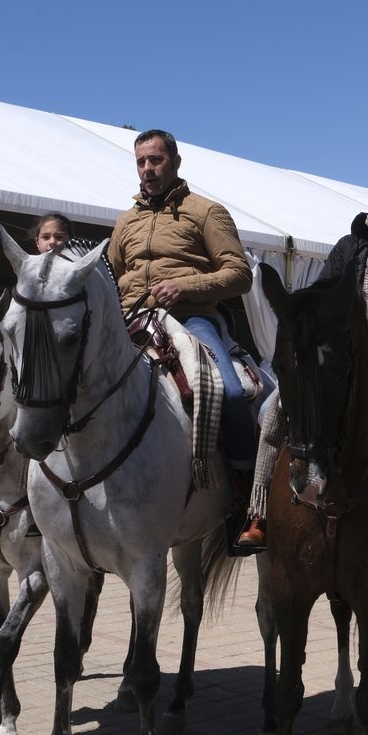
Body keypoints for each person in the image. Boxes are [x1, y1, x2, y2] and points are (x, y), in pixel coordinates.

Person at [238, 175, 368, 566]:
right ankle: (259, 511)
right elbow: (321, 296)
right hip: (339, 354)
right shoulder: (348, 247)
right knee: (275, 411)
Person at [107, 129, 256, 539]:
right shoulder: (125, 222)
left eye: (155, 160)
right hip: (132, 321)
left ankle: (247, 497)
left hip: (190, 318)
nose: (148, 169)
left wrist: (184, 287)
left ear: (175, 162)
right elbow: (118, 275)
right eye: (140, 161)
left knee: (228, 391)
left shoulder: (206, 211)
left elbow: (239, 274)